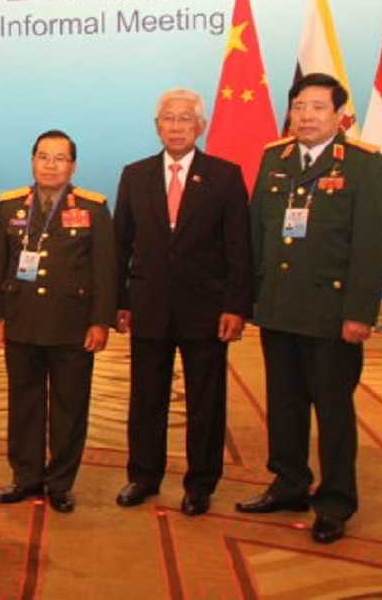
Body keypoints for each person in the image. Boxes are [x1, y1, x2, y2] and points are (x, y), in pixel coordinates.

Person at [237, 73, 382, 544]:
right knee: (284, 405)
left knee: (333, 411)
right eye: (299, 107)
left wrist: (359, 313)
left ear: (340, 115)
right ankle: (289, 484)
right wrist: (251, 300)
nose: (306, 116)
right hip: (278, 308)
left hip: (331, 314)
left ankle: (335, 502)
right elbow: (257, 234)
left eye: (318, 107)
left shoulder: (364, 164)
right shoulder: (275, 158)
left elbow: (371, 246)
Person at [113, 88, 253, 516]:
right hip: (149, 306)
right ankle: (143, 476)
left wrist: (235, 306)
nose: (176, 126)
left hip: (206, 311)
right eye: (168, 119)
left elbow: (239, 249)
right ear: (157, 127)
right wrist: (120, 300)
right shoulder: (135, 175)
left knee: (205, 401)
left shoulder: (225, 176)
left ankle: (200, 484)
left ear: (201, 126)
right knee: (146, 397)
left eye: (185, 118)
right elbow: (120, 245)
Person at [0, 130, 115, 513]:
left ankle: (60, 483)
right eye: (43, 157)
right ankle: (25, 477)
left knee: (68, 407)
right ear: (32, 161)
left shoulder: (93, 208)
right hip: (21, 321)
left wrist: (100, 322)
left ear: (72, 166)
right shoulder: (11, 206)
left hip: (71, 325)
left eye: (60, 158)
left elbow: (105, 270)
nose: (50, 165)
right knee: (23, 404)